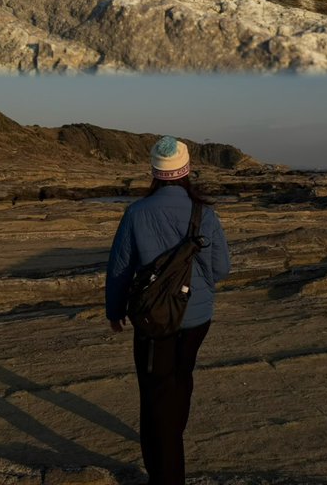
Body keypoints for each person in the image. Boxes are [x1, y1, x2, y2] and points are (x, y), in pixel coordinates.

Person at [106, 136, 231, 485]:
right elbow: (221, 269)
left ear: (154, 172)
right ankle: (170, 440)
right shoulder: (204, 214)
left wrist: (114, 310)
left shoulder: (136, 213)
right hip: (197, 319)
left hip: (153, 320)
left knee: (154, 392)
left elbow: (120, 268)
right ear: (186, 170)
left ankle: (166, 472)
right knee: (180, 379)